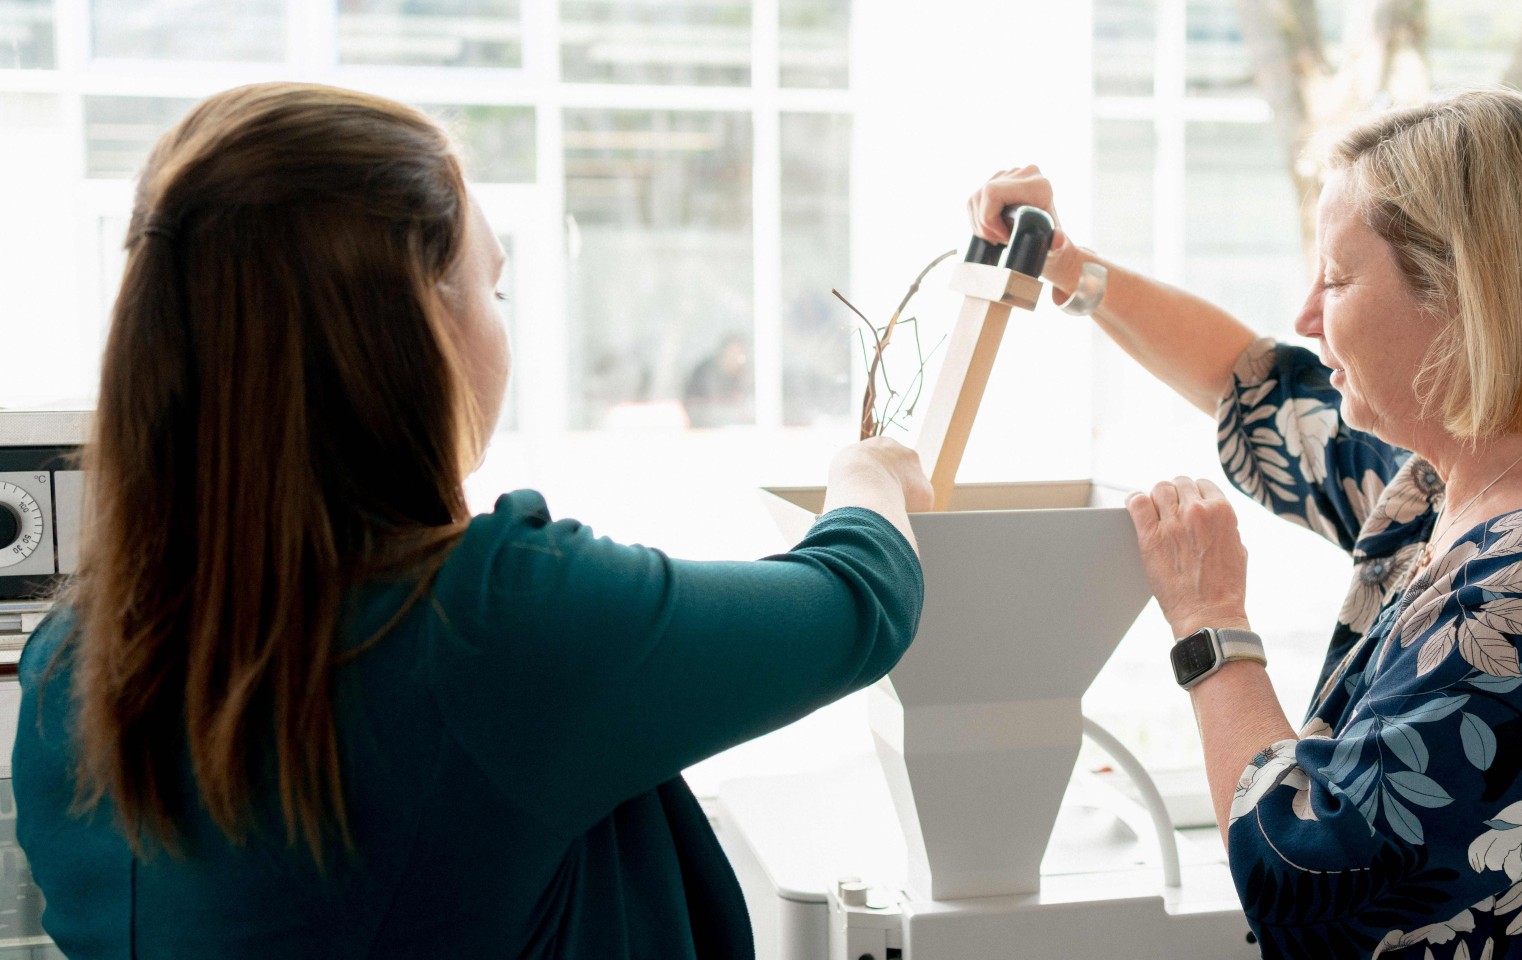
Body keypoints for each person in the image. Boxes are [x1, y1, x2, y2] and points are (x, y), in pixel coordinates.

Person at [14, 82, 931, 959]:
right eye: (493, 289)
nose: (503, 323)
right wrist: (866, 475)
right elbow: (856, 602)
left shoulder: (66, 671)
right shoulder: (487, 625)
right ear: (413, 325)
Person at [970, 87, 1522, 957]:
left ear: (1457, 295)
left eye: (1335, 278)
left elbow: (1304, 875)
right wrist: (1070, 266)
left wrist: (1212, 624)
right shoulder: (1453, 491)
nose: (1305, 316)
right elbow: (1246, 384)